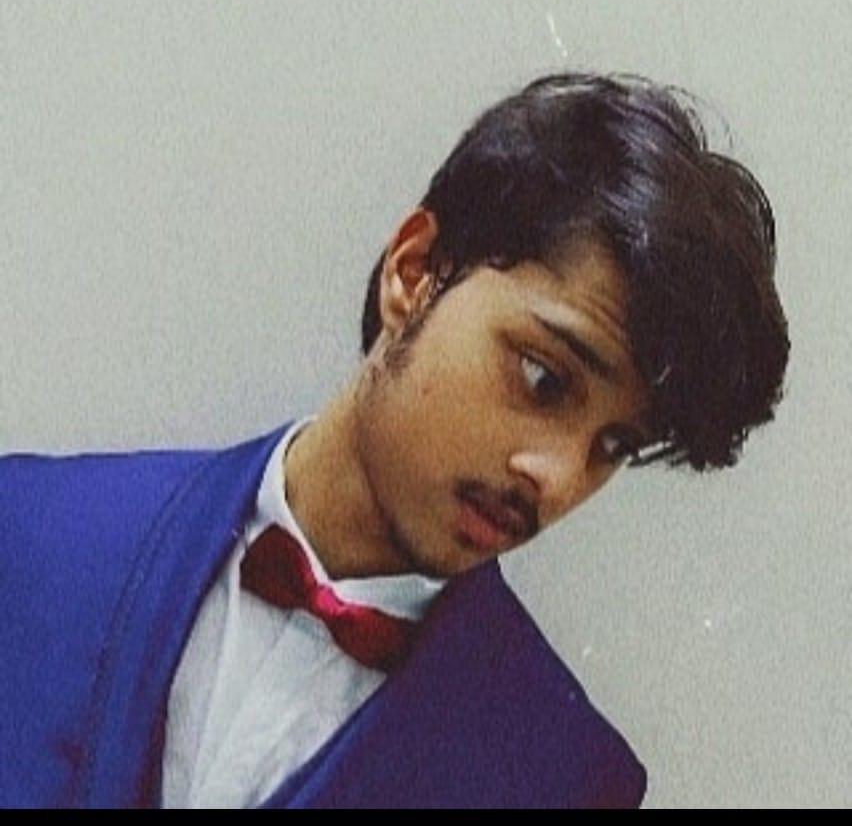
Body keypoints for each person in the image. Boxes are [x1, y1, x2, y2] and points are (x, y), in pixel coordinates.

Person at [0, 72, 789, 808]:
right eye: (543, 378)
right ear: (413, 273)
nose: (556, 478)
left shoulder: (561, 777)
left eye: (612, 446)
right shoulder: (28, 534)